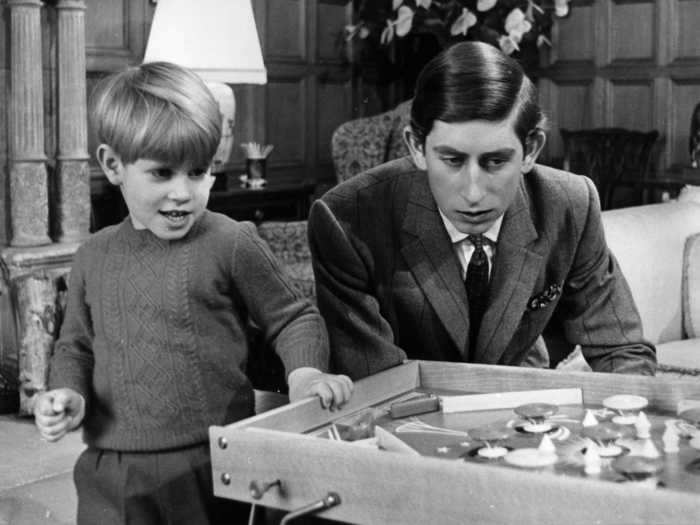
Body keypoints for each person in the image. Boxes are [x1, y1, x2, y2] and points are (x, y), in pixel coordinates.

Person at [33, 61, 353, 525]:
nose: (183, 192)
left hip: (212, 462)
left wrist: (304, 374)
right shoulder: (92, 255)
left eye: (199, 172)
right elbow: (75, 347)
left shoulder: (231, 240)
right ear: (113, 165)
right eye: (162, 173)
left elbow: (294, 317)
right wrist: (67, 395)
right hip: (112, 469)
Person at [308, 41, 656, 380]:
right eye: (452, 160)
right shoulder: (347, 220)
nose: (473, 193)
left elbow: (621, 352)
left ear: (531, 150)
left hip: (523, 411)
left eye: (495, 161)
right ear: (416, 146)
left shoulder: (570, 204)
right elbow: (377, 385)